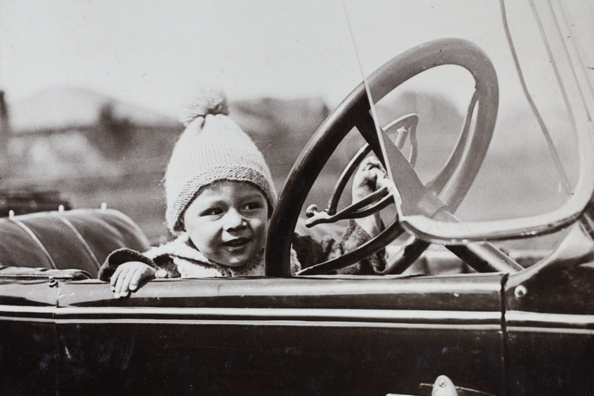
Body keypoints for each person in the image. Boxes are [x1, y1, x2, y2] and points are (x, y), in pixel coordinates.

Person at [98, 87, 388, 298]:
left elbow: (347, 268)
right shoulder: (172, 265)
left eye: (250, 206)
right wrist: (135, 269)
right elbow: (126, 269)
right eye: (215, 211)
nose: (236, 222)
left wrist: (365, 206)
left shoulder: (292, 251)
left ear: (270, 209)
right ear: (182, 223)